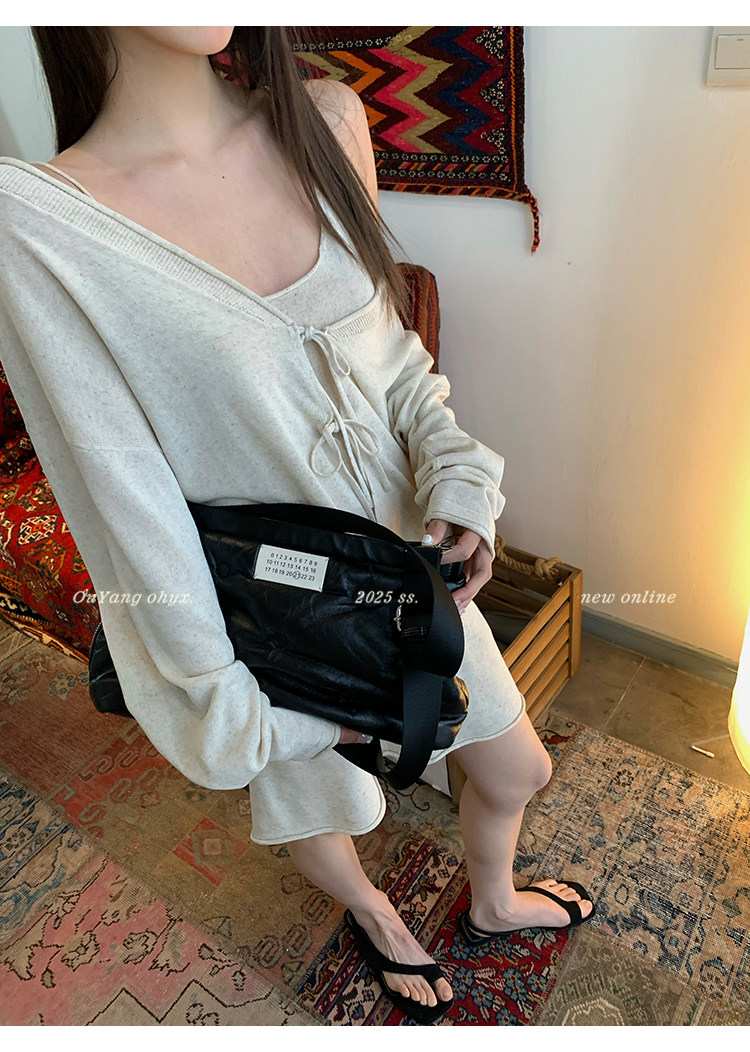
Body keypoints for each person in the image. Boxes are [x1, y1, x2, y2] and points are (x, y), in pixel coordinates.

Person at [0, 27, 594, 1025]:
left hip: (408, 581)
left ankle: (491, 900)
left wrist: (461, 483)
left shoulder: (325, 120)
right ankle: (373, 912)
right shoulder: (40, 223)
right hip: (276, 616)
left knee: (516, 764)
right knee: (327, 806)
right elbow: (128, 513)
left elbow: (393, 362)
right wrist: (243, 716)